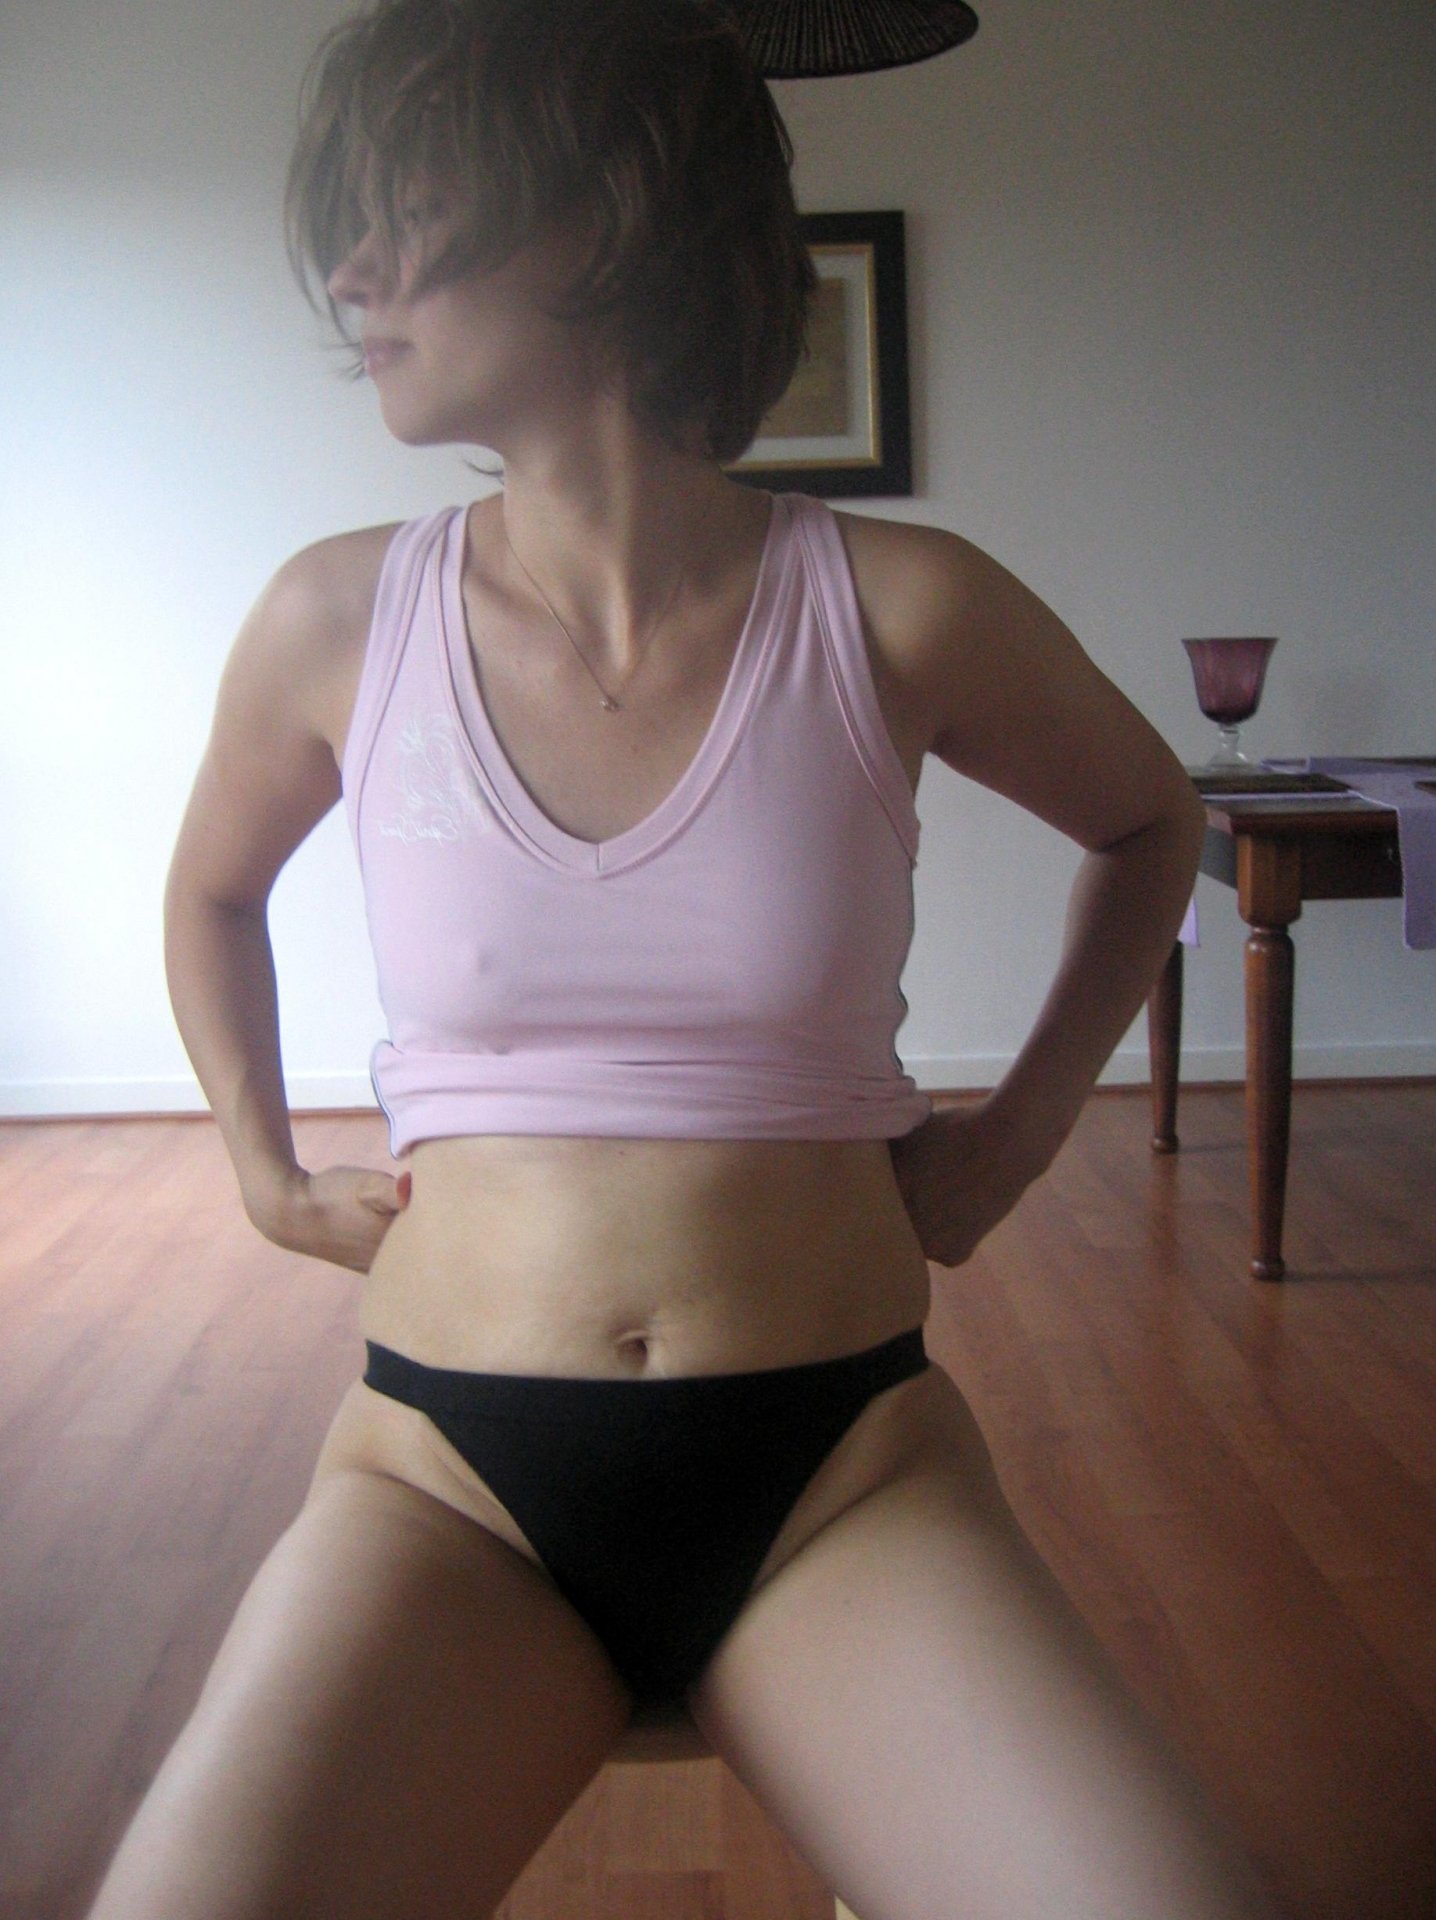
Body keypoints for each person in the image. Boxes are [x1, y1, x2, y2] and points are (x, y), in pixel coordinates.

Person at [88, 1, 1281, 1915]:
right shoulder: (336, 619)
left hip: (839, 1478)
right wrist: (256, 1167)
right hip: (448, 1489)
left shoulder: (897, 604)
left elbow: (1151, 823)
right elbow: (208, 893)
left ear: (604, 213)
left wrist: (1014, 1141)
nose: (351, 272)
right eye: (346, 228)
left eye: (406, 207)